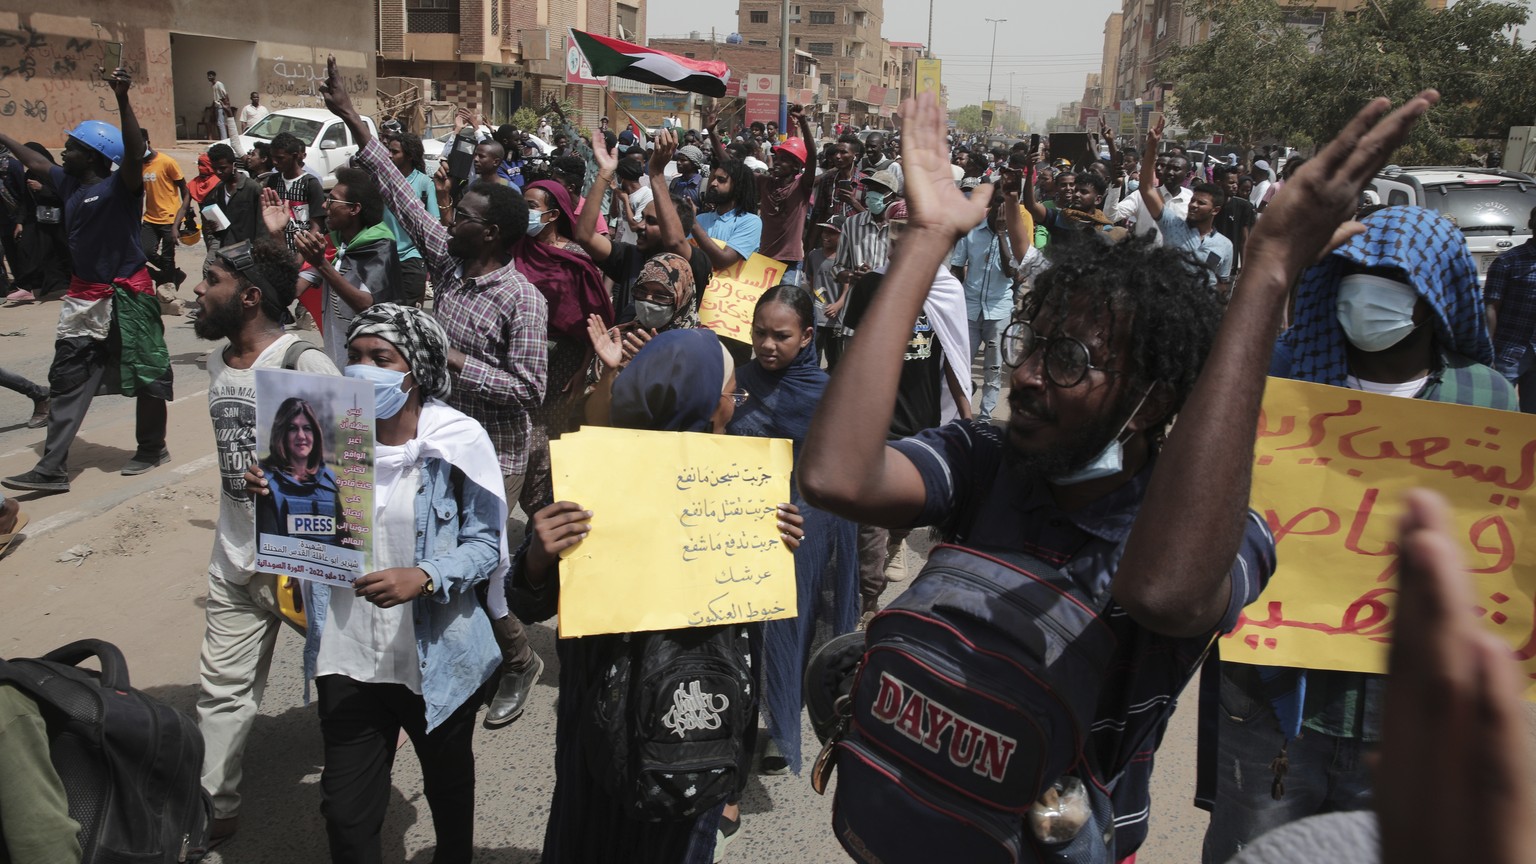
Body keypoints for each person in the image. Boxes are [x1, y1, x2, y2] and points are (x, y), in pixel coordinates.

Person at [799, 87, 1440, 860]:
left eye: (1068, 361)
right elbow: (836, 475)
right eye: (1032, 343)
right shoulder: (987, 460)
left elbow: (1165, 594)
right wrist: (928, 237)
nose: (1029, 376)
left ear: (1150, 399)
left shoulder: (1220, 536)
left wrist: (1268, 270)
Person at [1201, 204, 1516, 863]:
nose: (1361, 293)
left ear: (1430, 296)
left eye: (1387, 278)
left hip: (1402, 712)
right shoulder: (1280, 378)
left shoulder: (1487, 402)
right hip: (1274, 700)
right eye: (1351, 274)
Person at [511, 327, 804, 864]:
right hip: (606, 718)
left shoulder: (740, 485)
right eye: (730, 393)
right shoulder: (596, 481)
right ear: (702, 399)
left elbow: (753, 618)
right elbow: (530, 602)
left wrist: (779, 542)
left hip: (696, 726)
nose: (735, 406)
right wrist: (537, 556)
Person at [320, 57, 546, 729]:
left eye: (469, 215)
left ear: (496, 233)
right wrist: (353, 119)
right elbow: (401, 195)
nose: (453, 217)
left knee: (478, 563)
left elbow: (528, 389)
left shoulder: (520, 300)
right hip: (427, 434)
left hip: (492, 451)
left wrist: (450, 359)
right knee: (421, 549)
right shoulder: (448, 259)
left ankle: (515, 659)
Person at [245, 304, 503, 864]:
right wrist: (276, 496)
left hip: (434, 661)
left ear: (416, 371)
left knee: (448, 789)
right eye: (355, 356)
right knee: (345, 813)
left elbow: (486, 546)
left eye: (380, 358)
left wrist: (427, 576)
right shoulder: (326, 436)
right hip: (348, 654)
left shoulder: (456, 443)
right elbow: (307, 539)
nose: (363, 369)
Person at [191, 235, 338, 848]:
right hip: (235, 559)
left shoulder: (304, 363)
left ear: (249, 297)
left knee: (342, 675)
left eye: (211, 279)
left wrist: (284, 475)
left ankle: (355, 774)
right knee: (221, 690)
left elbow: (356, 462)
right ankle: (214, 805)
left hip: (303, 565)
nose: (197, 290)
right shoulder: (219, 360)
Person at [0, 69, 173, 495]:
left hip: (128, 295)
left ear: (93, 154)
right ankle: (53, 468)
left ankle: (152, 448)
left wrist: (123, 100)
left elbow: (133, 152)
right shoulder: (70, 184)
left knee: (147, 372)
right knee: (69, 376)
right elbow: (36, 161)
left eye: (73, 147)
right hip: (84, 298)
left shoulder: (121, 187)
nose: (64, 151)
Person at [726, 285, 859, 778]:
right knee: (745, 637)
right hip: (738, 527)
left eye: (780, 336)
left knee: (792, 630)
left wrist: (806, 513)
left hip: (806, 529)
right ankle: (740, 721)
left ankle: (784, 725)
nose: (766, 345)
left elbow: (850, 472)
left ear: (806, 336)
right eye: (759, 333)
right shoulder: (735, 382)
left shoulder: (830, 394)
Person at [511, 178, 614, 514]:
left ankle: (540, 517)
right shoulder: (513, 248)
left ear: (552, 214)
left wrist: (583, 369)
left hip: (561, 365)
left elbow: (593, 319)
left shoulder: (575, 258)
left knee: (542, 445)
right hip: (517, 359)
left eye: (531, 207)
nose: (523, 212)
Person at [577, 131, 709, 322]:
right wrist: (605, 173)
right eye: (643, 218)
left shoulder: (694, 262)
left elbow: (673, 242)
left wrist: (655, 173)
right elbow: (585, 235)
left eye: (652, 221)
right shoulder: (630, 256)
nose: (639, 226)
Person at [292, 167, 400, 367]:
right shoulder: (333, 244)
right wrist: (276, 234)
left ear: (354, 209)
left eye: (332, 200)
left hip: (371, 360)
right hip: (336, 353)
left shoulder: (379, 246)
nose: (325, 205)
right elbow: (292, 290)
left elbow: (366, 305)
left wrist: (322, 265)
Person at [949, 198, 1018, 420]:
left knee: (993, 368)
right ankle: (959, 415)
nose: (1001, 209)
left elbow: (1011, 272)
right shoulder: (971, 233)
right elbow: (956, 268)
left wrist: (1001, 234)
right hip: (969, 310)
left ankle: (985, 418)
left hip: (998, 312)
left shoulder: (1015, 236)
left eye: (1007, 206)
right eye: (998, 203)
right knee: (960, 366)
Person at [254, 396, 342, 544]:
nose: (301, 436)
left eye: (307, 428)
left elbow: (347, 546)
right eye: (292, 428)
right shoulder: (265, 480)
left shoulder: (329, 482)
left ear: (315, 433)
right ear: (281, 433)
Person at [753, 106, 817, 284]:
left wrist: (803, 122)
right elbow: (735, 170)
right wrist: (712, 134)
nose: (777, 163)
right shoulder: (765, 183)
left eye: (784, 160)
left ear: (796, 166)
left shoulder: (801, 186)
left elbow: (812, 156)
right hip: (764, 259)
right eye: (777, 158)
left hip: (789, 263)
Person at [1484, 206, 1536, 411]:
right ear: (1532, 225)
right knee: (1496, 409)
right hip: (1508, 353)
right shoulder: (1508, 261)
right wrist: (1487, 351)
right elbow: (1491, 308)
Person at [379, 130, 434, 308]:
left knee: (407, 313)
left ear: (409, 156)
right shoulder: (382, 181)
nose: (390, 155)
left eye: (395, 152)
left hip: (413, 258)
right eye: (389, 150)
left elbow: (433, 223)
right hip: (384, 256)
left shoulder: (424, 183)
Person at [140, 129, 191, 293]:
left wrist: (179, 222)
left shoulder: (167, 162)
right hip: (150, 218)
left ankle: (167, 294)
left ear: (147, 141)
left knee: (168, 258)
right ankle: (174, 274)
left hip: (170, 218)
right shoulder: (139, 166)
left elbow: (185, 191)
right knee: (144, 252)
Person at [264, 132, 325, 253]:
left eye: (280, 158)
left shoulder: (310, 183)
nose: (275, 162)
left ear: (295, 156)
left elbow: (317, 226)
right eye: (273, 158)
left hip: (304, 254)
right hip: (280, 251)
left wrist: (302, 257)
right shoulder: (273, 180)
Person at [670, 143, 707, 208]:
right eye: (677, 159)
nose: (678, 163)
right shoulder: (675, 182)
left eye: (683, 160)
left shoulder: (703, 185)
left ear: (693, 163)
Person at [208, 70, 235, 140]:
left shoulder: (219, 84)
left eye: (210, 76)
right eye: (208, 76)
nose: (209, 77)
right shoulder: (213, 86)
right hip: (217, 106)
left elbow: (225, 94)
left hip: (221, 106)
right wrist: (212, 106)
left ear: (214, 76)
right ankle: (222, 138)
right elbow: (215, 98)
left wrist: (227, 105)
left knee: (220, 123)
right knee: (219, 123)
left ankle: (224, 139)